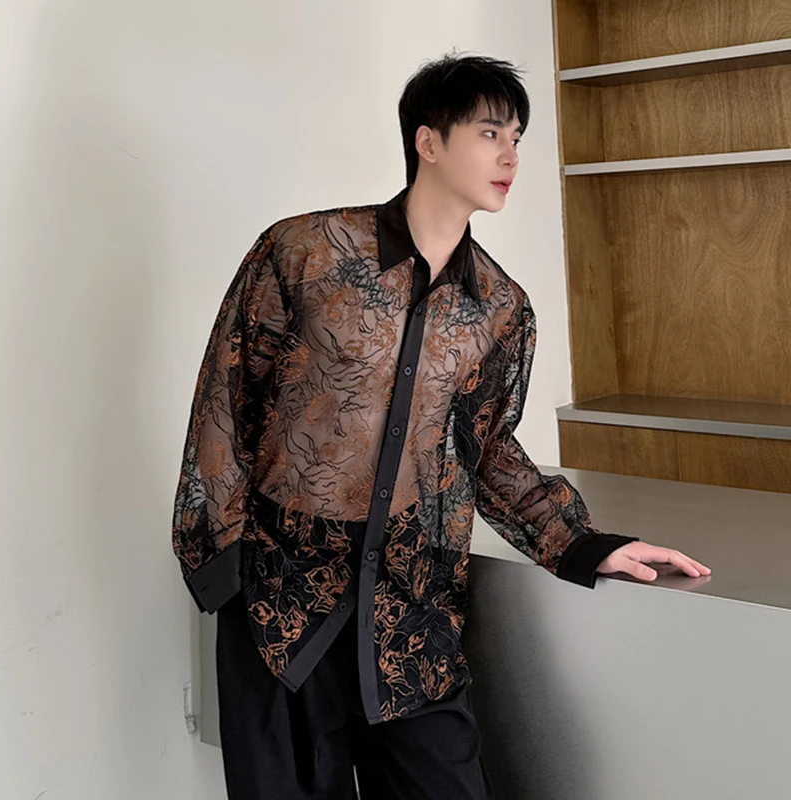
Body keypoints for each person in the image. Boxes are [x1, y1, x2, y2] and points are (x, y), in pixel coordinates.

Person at [171, 51, 711, 800]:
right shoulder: (304, 252)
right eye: (491, 133)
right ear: (428, 141)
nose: (510, 156)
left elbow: (486, 451)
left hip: (409, 606)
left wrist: (584, 544)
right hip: (281, 606)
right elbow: (225, 400)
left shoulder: (499, 306)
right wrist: (225, 563)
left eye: (517, 138)